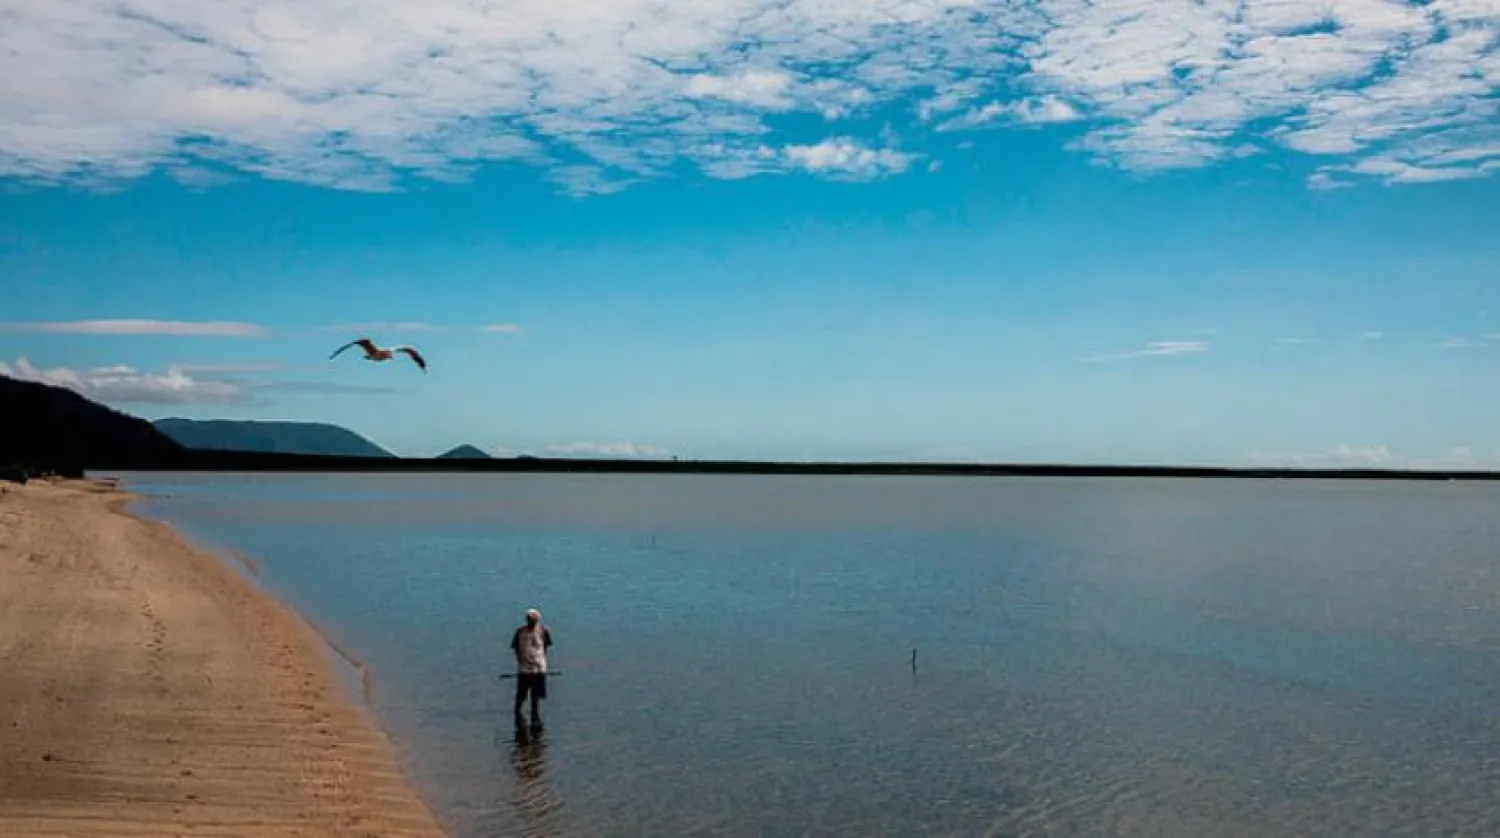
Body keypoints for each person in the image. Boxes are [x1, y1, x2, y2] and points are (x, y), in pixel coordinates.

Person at [510, 608, 553, 724]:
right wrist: (520, 660)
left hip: (539, 668)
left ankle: (535, 717)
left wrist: (542, 662)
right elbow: (515, 648)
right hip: (524, 668)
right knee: (521, 695)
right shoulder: (520, 632)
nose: (531, 622)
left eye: (533, 621)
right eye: (529, 620)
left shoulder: (544, 631)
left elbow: (546, 647)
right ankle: (517, 715)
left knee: (536, 696)